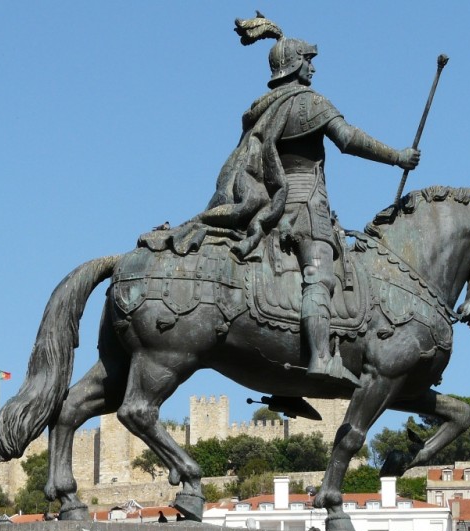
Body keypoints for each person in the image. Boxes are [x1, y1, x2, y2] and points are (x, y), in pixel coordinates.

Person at [148, 14, 420, 388]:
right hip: (305, 206)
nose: (313, 68)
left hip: (269, 205)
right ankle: (322, 357)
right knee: (318, 277)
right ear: (295, 64)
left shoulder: (264, 107)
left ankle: (286, 379)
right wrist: (397, 157)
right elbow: (348, 139)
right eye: (309, 61)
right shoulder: (309, 103)